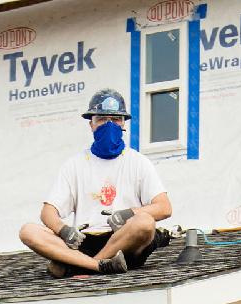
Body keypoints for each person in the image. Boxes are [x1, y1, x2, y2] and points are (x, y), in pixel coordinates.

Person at [18, 88, 173, 278]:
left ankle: (83, 268)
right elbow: (48, 213)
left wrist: (129, 213)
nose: (109, 125)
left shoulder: (138, 162)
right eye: (101, 119)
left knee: (145, 223)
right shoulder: (74, 165)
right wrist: (63, 230)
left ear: (124, 124)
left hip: (124, 243)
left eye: (115, 120)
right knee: (28, 231)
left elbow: (164, 207)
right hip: (84, 242)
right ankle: (100, 266)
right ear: (91, 124)